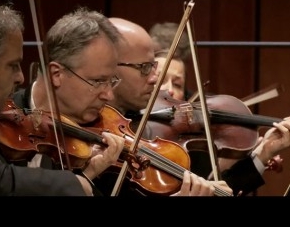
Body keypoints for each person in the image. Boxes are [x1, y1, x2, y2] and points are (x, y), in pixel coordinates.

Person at [12, 8, 229, 197]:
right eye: (98, 81)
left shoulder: (104, 144)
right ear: (56, 74)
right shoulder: (0, 123)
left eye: (111, 81)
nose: (108, 95)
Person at [0, 0, 123, 196]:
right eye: (13, 65)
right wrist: (73, 183)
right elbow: (0, 183)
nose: (20, 77)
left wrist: (88, 174)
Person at [99, 18, 290, 196]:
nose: (164, 88)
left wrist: (263, 154)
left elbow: (218, 191)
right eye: (145, 69)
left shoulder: (180, 145)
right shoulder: (107, 128)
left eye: (178, 84)